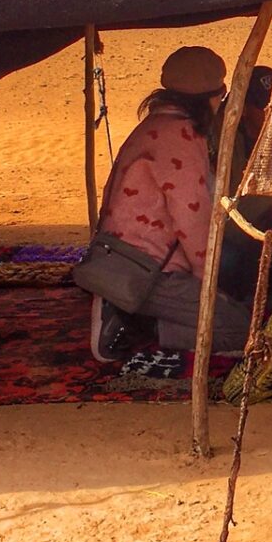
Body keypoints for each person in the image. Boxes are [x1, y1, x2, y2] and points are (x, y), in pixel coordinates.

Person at [82, 46, 260, 360]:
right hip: (149, 269)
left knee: (232, 275)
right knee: (240, 329)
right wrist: (209, 285)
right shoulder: (182, 137)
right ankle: (137, 320)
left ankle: (136, 308)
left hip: (124, 255)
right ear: (211, 99)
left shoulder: (152, 127)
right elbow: (192, 220)